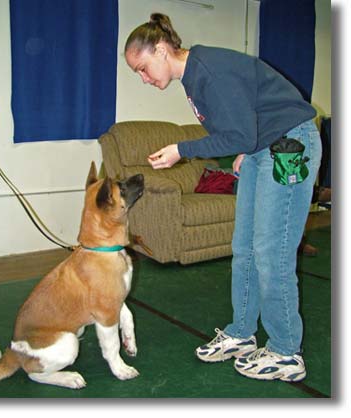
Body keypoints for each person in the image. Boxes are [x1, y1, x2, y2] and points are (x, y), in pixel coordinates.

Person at [124, 13, 322, 382]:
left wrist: (183, 149)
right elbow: (242, 124)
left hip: (291, 146)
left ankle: (285, 352)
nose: (144, 78)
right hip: (263, 147)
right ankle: (242, 333)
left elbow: (242, 132)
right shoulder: (193, 77)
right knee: (244, 246)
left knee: (271, 250)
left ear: (163, 50)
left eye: (143, 68)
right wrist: (246, 146)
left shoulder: (209, 72)